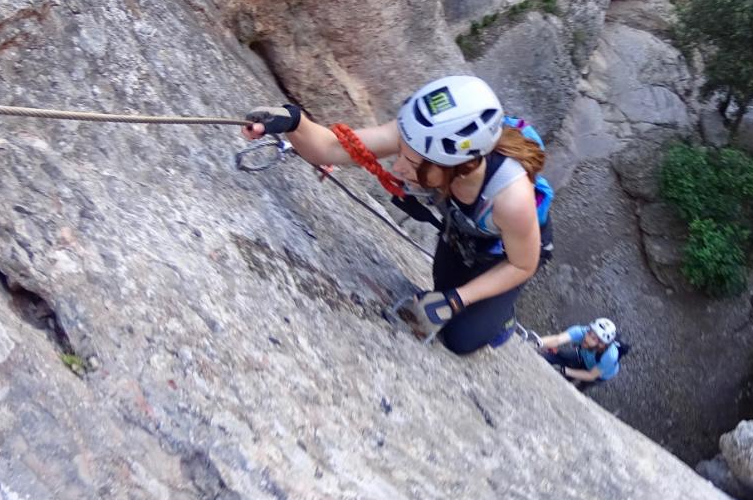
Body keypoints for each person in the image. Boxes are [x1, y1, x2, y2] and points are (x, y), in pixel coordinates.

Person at [242, 75, 551, 355]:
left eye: (414, 164)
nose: (398, 168)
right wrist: (294, 122)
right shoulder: (421, 141)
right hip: (462, 230)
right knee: (440, 288)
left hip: (507, 250)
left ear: (461, 166)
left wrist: (457, 300)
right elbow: (332, 148)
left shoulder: (511, 199)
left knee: (460, 338)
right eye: (401, 153)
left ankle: (504, 317)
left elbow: (523, 263)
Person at [539, 318, 620, 386]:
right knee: (562, 357)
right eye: (589, 332)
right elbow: (557, 339)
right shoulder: (582, 332)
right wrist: (536, 342)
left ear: (601, 344)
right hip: (583, 357)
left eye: (594, 338)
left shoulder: (609, 356)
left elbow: (591, 375)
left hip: (600, 374)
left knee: (583, 384)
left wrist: (564, 370)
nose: (587, 338)